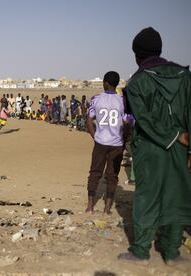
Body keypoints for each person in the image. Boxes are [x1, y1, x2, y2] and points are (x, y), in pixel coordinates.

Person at [118, 27, 191, 266]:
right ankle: (171, 251)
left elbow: (144, 119)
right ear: (160, 49)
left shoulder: (138, 82)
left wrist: (171, 136)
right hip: (181, 147)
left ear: (137, 55)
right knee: (176, 193)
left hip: (151, 148)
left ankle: (140, 251)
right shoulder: (184, 76)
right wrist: (185, 142)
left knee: (147, 196)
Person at [85, 71, 126, 214]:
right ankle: (107, 208)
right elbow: (127, 123)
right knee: (112, 175)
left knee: (95, 172)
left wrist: (95, 136)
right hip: (117, 144)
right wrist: (124, 140)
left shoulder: (96, 99)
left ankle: (90, 206)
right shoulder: (123, 101)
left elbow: (89, 120)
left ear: (105, 83)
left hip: (100, 142)